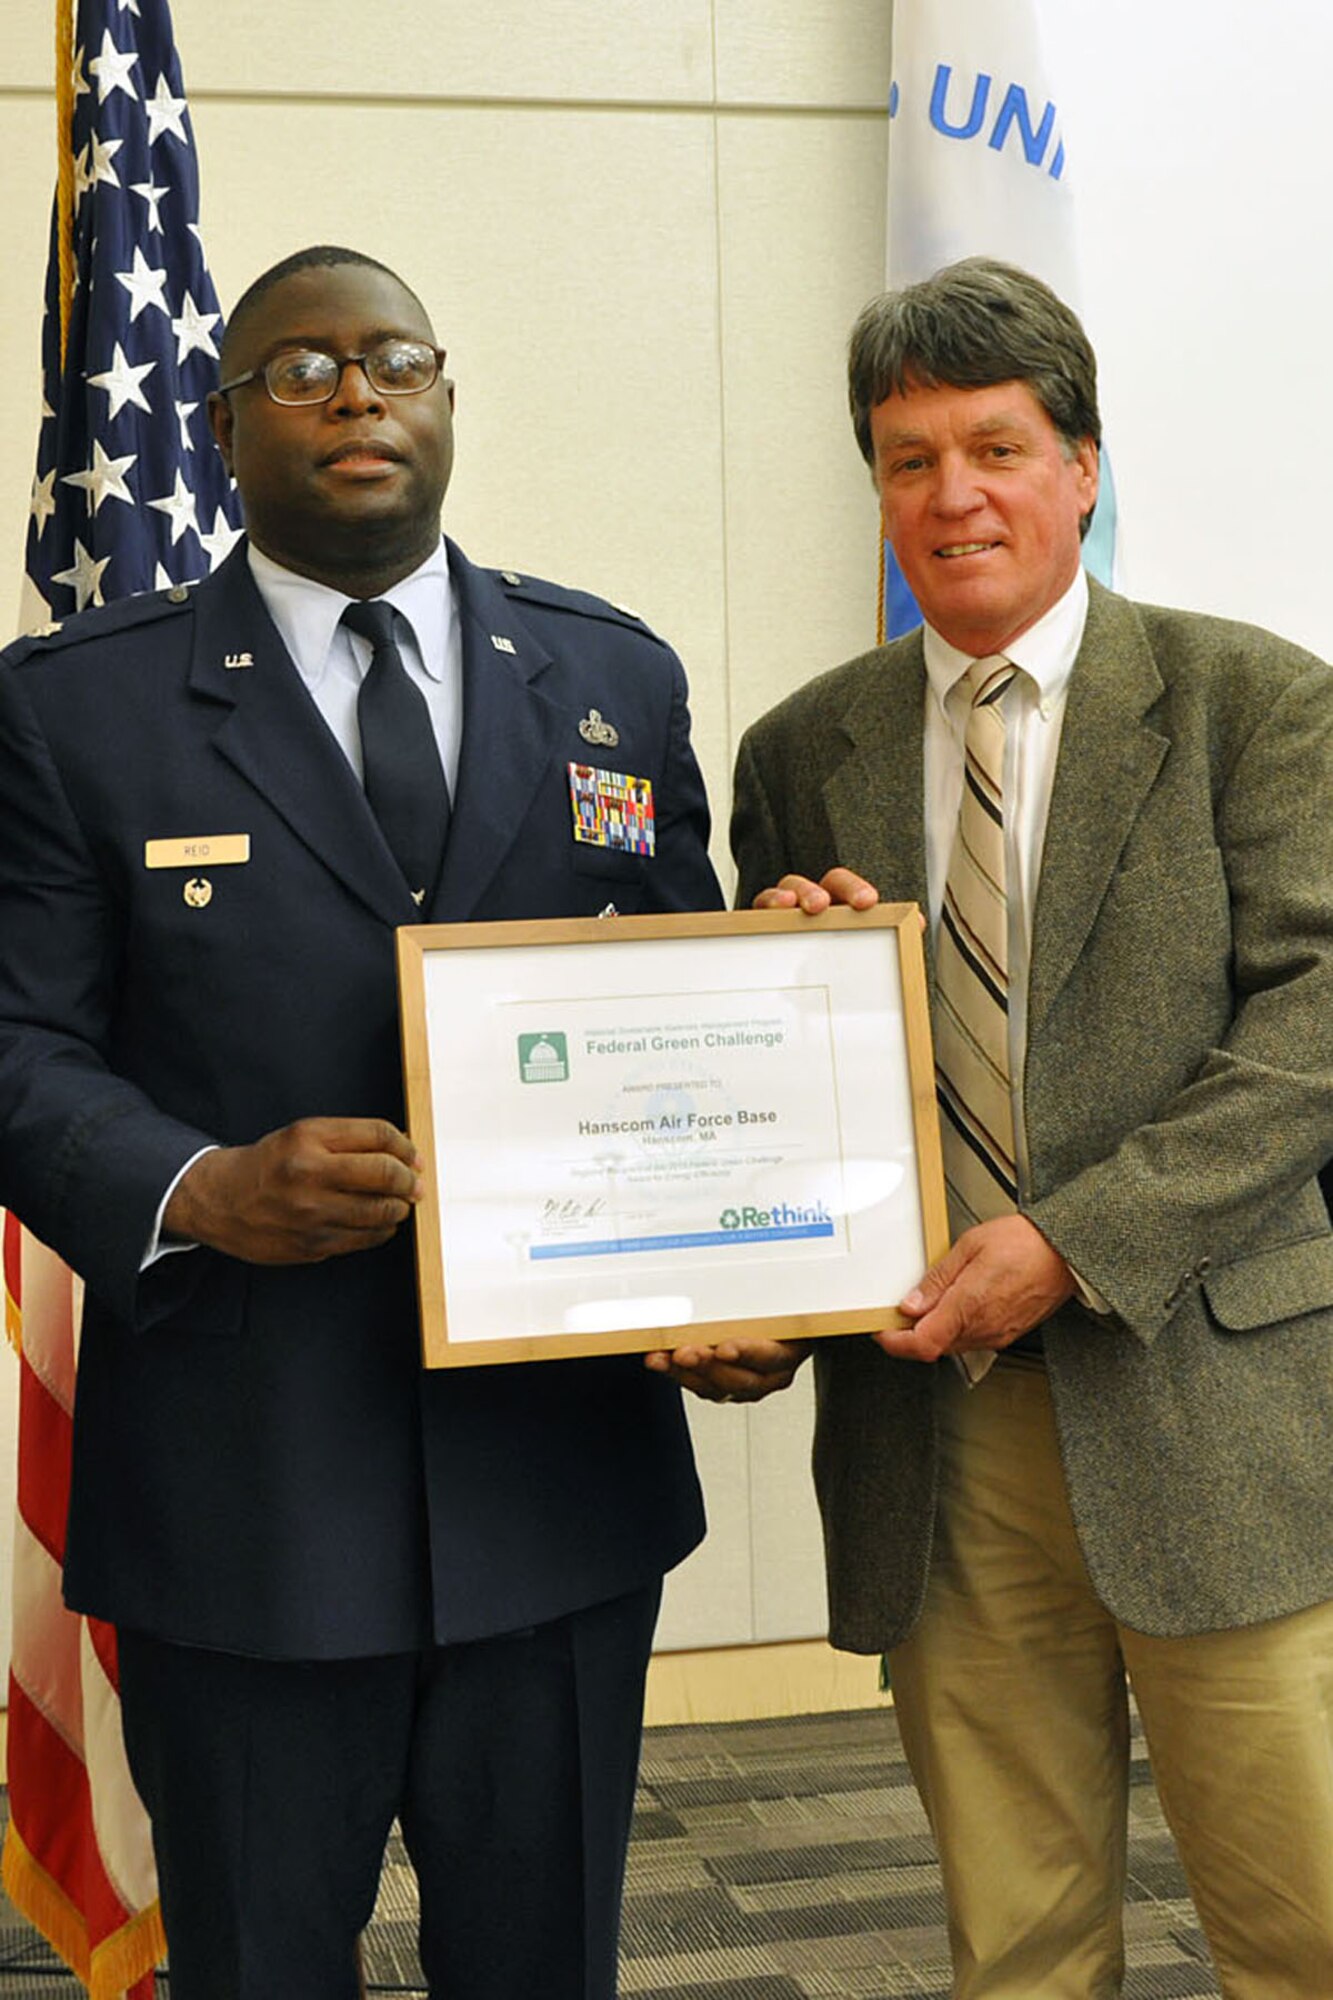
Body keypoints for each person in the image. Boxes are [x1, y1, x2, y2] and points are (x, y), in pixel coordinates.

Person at [0, 244, 723, 2000]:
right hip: (244, 1505)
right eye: (302, 369)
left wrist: (746, 1230)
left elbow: (690, 1014)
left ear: (446, 397)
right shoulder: (75, 706)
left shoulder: (607, 675)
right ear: (222, 419)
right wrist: (198, 1183)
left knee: (543, 1969)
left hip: (555, 1494)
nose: (356, 396)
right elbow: (17, 1046)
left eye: (393, 360)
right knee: (257, 1973)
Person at [653, 258, 1333, 1998]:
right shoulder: (802, 746)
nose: (950, 495)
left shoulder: (1253, 700)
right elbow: (783, 1091)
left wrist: (1071, 1245)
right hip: (937, 1432)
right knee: (1014, 1942)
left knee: (1301, 1924)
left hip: (1208, 1409)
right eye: (905, 459)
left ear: (1083, 467)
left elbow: (1312, 1035)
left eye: (996, 448)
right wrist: (774, 993)